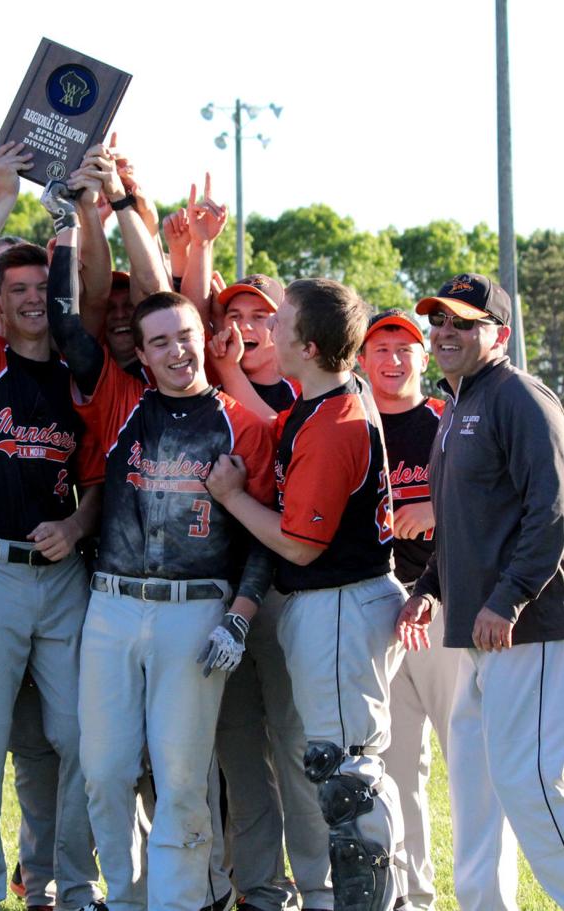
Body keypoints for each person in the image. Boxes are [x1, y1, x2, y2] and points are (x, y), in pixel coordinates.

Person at [44, 147, 275, 911]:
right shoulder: (120, 401)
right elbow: (68, 324)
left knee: (181, 781)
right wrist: (73, 221)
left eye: (186, 336)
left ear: (202, 335)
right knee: (104, 771)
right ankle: (130, 896)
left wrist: (239, 617)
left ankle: (180, 903)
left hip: (196, 609)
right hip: (112, 606)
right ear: (139, 354)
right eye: (160, 342)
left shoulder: (239, 423)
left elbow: (257, 539)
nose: (177, 351)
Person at [397, 274, 564, 911]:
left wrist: (507, 599)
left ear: (499, 334)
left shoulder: (519, 396)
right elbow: (462, 523)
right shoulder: (456, 405)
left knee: (531, 783)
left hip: (531, 625)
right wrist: (428, 586)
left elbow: (553, 512)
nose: (445, 332)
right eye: (440, 321)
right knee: (478, 788)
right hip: (475, 626)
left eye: (463, 322)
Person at [0, 143, 104, 911]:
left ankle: (63, 881)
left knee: (77, 739)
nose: (34, 298)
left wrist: (77, 521)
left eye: (42, 284)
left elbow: (95, 477)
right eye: (19, 287)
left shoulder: (76, 374)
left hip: (61, 577)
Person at [204, 278, 406, 911]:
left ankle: (371, 903)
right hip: (343, 603)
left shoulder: (334, 423)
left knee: (347, 775)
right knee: (346, 766)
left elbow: (298, 545)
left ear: (310, 347)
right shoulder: (330, 402)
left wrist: (232, 497)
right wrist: (232, 372)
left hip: (339, 605)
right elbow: (273, 427)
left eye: (281, 320)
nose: (270, 329)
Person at [356, 309, 509, 911]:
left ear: (425, 358)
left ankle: (487, 899)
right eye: (380, 349)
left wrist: (436, 512)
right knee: (394, 770)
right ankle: (411, 896)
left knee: (470, 759)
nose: (393, 360)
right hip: (377, 608)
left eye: (405, 348)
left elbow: (503, 498)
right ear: (361, 360)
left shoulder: (451, 417)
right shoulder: (354, 421)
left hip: (447, 606)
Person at [207, 277, 334, 911]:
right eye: (237, 313)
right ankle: (259, 890)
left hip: (284, 595)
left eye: (266, 314)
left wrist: (231, 370)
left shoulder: (298, 389)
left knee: (294, 747)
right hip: (215, 594)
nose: (253, 324)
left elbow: (273, 437)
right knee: (238, 757)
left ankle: (319, 887)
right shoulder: (201, 380)